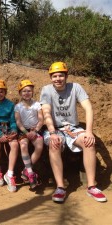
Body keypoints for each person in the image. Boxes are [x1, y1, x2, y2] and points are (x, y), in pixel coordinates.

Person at [40, 61, 107, 203]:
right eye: (54, 76)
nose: (57, 79)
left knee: (89, 143)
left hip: (73, 128)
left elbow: (88, 108)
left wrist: (89, 131)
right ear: (51, 78)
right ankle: (60, 187)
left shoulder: (76, 87)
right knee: (54, 144)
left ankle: (91, 186)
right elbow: (46, 112)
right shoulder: (46, 90)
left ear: (66, 76)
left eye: (61, 75)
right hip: (55, 129)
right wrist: (52, 132)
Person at [14, 79, 43, 189]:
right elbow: (18, 122)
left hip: (35, 129)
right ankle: (31, 173)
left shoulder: (37, 104)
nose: (27, 93)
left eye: (29, 91)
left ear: (33, 92)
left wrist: (34, 131)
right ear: (20, 93)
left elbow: (41, 120)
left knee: (39, 145)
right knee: (23, 145)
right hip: (23, 130)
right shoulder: (18, 106)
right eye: (24, 91)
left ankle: (26, 170)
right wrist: (27, 133)